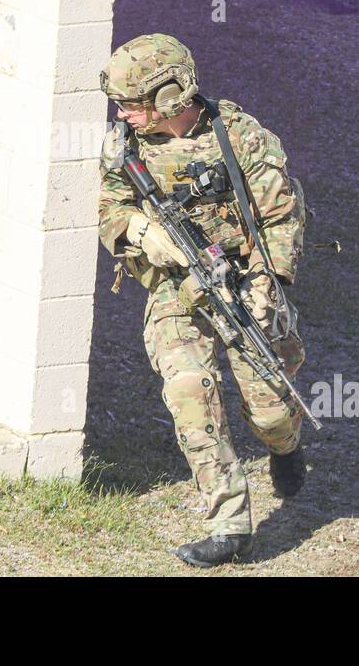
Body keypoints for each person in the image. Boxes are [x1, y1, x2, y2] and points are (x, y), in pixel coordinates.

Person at [97, 33, 309, 567]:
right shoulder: (125, 145)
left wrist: (267, 282)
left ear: (168, 96)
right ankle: (229, 522)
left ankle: (285, 447)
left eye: (132, 103)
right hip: (174, 283)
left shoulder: (240, 137)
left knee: (271, 409)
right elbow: (111, 209)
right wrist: (145, 233)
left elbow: (281, 217)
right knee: (189, 386)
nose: (123, 113)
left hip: (239, 278)